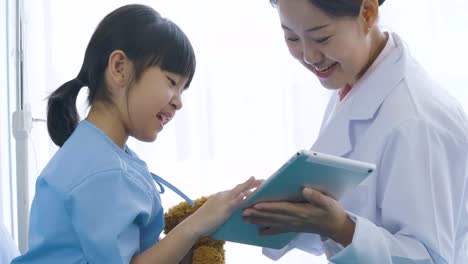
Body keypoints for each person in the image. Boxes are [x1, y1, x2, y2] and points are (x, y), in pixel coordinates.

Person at [11, 4, 261, 264]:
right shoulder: (103, 170)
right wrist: (196, 224)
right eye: (172, 82)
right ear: (120, 67)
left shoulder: (98, 154)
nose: (178, 102)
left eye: (183, 90)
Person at [242, 0, 468, 263]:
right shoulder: (355, 82)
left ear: (368, 13)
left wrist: (340, 228)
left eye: (321, 38)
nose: (308, 55)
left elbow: (432, 257)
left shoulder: (416, 120)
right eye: (291, 37)